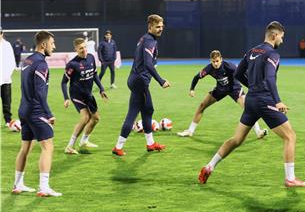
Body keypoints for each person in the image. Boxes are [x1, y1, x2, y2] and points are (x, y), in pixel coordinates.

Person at [198, 21, 305, 187]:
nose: (282, 41)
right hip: (265, 101)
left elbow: (237, 73)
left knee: (236, 140)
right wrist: (277, 101)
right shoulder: (272, 54)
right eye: (281, 37)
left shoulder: (252, 51)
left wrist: (252, 86)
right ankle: (290, 179)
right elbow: (270, 78)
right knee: (290, 136)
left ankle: (209, 166)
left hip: (250, 100)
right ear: (274, 35)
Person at [112, 14, 170, 156]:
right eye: (157, 27)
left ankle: (150, 144)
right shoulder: (150, 41)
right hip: (139, 81)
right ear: (150, 27)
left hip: (135, 79)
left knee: (146, 110)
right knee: (137, 112)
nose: (160, 29)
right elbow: (149, 64)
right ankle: (118, 147)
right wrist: (161, 80)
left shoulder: (145, 39)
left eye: (162, 26)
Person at [13, 31, 62, 197]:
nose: (54, 47)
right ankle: (44, 187)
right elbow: (40, 92)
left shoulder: (27, 60)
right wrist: (48, 113)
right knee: (48, 146)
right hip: (36, 111)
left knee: (25, 147)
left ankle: (18, 184)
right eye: (52, 43)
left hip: (23, 109)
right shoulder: (41, 64)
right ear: (43, 44)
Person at [177, 50, 267, 139]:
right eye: (213, 61)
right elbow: (196, 77)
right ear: (210, 61)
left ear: (221, 59)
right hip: (221, 89)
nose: (215, 64)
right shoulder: (208, 68)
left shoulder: (230, 66)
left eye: (217, 61)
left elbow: (244, 73)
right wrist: (192, 89)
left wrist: (252, 87)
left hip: (234, 89)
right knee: (202, 106)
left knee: (248, 108)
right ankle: (190, 131)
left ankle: (258, 132)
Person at [61, 38, 108, 154]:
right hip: (76, 94)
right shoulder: (72, 64)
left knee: (96, 118)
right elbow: (63, 82)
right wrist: (66, 98)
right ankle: (69, 146)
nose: (84, 50)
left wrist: (102, 89)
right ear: (76, 49)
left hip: (88, 94)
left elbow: (95, 74)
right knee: (85, 117)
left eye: (85, 47)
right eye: (81, 48)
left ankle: (83, 141)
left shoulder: (91, 57)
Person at [0, 28, 17, 131]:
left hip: (6, 79)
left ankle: (8, 120)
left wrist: (7, 75)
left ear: (2, 33)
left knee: (7, 101)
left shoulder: (7, 45)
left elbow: (12, 62)